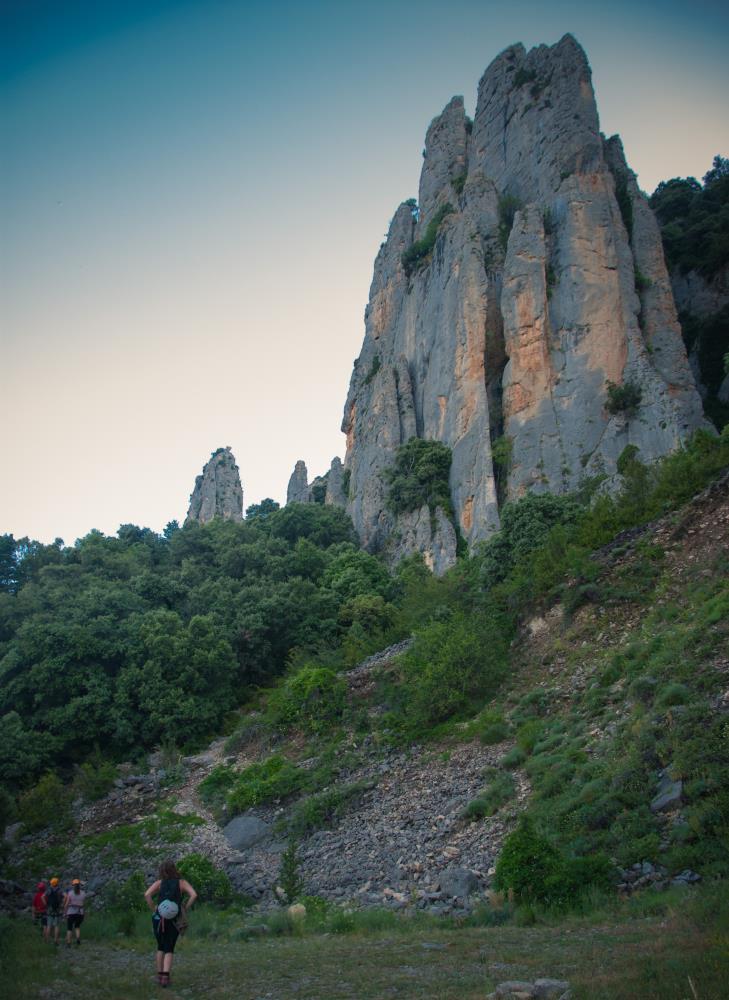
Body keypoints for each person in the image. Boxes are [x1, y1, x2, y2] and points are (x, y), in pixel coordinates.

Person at [144, 860, 197, 988]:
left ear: (162, 870)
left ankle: (159, 975)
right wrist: (184, 907)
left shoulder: (159, 883)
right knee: (169, 947)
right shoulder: (181, 883)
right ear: (174, 869)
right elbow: (194, 895)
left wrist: (154, 909)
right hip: (174, 919)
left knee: (160, 946)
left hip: (158, 919)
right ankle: (166, 978)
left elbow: (147, 895)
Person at [63, 878, 86, 947]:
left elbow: (67, 904)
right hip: (80, 912)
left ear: (73, 885)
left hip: (71, 912)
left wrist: (65, 912)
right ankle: (78, 939)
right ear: (79, 885)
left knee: (69, 928)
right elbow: (83, 904)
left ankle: (68, 943)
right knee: (77, 926)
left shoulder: (70, 893)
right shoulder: (83, 893)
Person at [45, 877, 63, 945]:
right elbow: (65, 896)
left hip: (50, 909)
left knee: (49, 925)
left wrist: (46, 904)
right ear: (57, 883)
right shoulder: (60, 890)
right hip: (57, 909)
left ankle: (47, 940)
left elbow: (43, 897)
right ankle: (56, 941)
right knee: (57, 925)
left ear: (51, 883)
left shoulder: (48, 890)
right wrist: (62, 905)